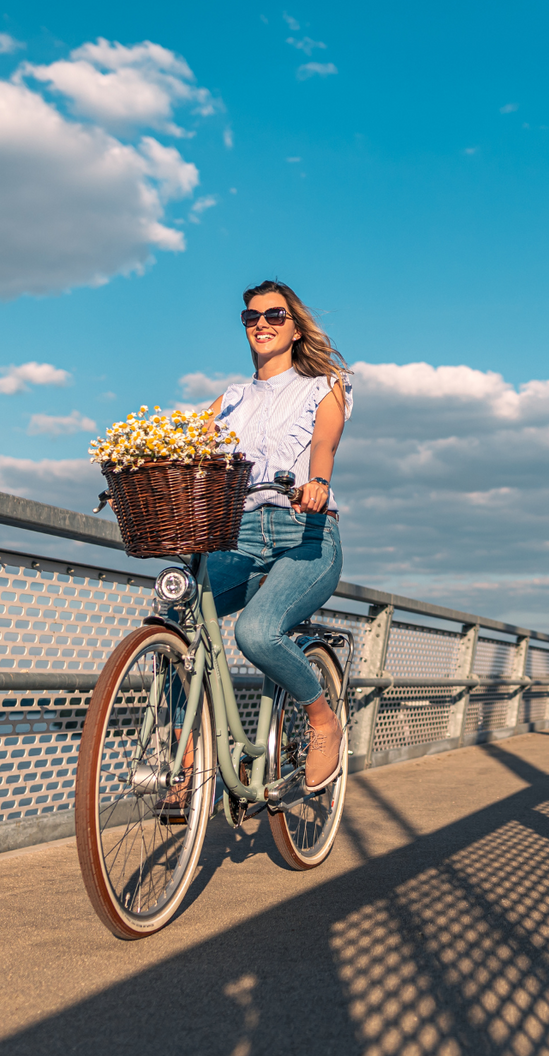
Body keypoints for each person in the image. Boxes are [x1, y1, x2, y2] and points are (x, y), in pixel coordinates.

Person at [198, 281, 351, 791]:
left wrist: (318, 483)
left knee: (256, 633)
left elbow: (323, 444)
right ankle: (185, 749)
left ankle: (323, 718)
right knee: (179, 615)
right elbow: (188, 452)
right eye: (251, 317)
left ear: (294, 325)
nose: (261, 323)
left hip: (305, 534)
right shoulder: (230, 399)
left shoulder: (323, 385)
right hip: (239, 534)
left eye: (274, 315)